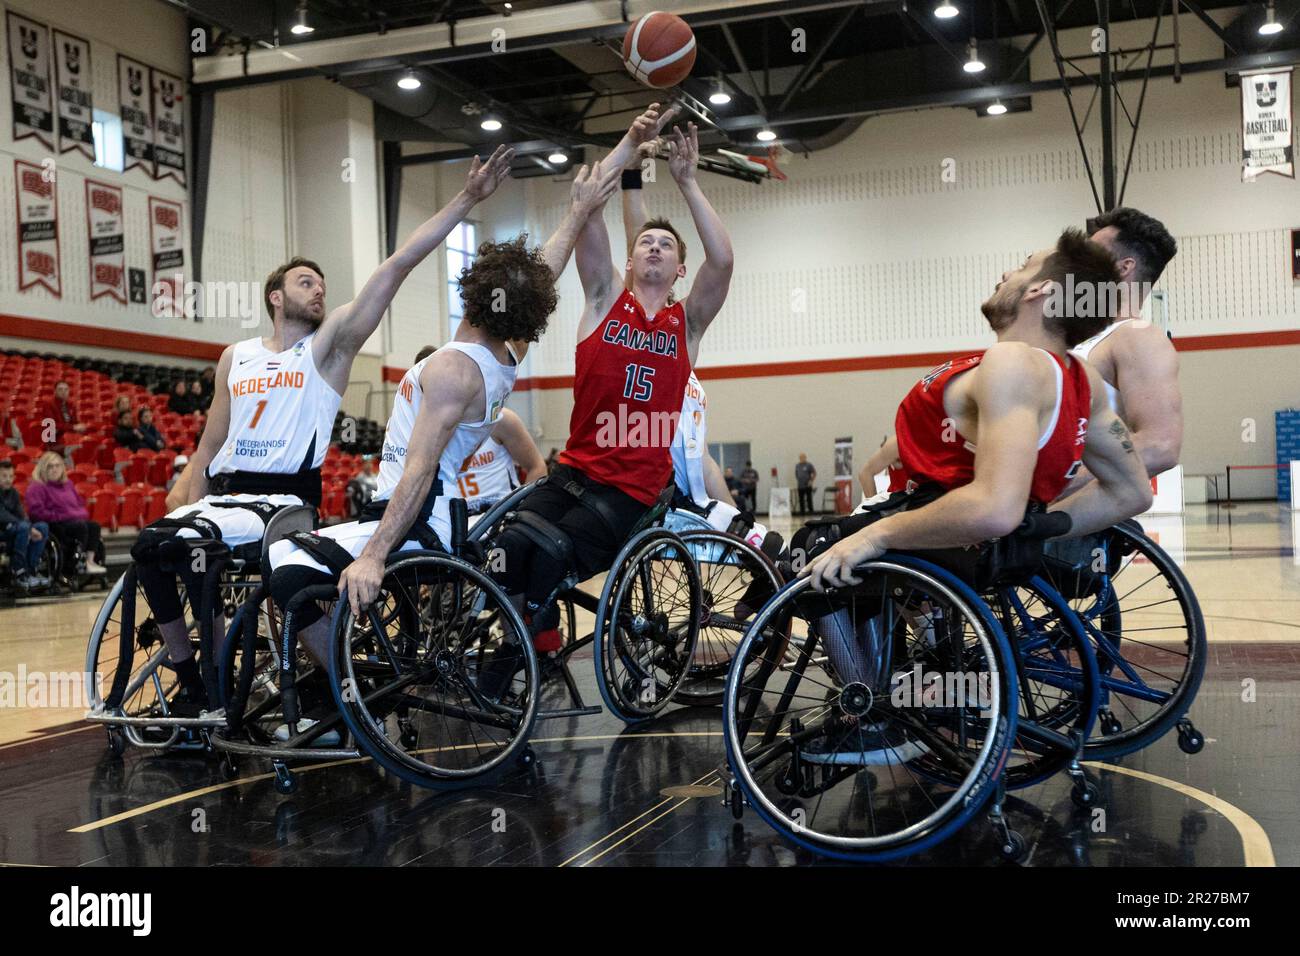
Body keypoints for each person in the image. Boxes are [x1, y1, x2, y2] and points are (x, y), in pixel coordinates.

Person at [129, 144, 523, 718]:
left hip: (283, 500)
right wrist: (187, 485)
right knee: (151, 546)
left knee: (189, 553)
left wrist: (467, 199)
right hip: (228, 494)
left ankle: (215, 681)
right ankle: (195, 678)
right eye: (305, 281)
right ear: (275, 296)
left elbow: (394, 268)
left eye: (321, 283)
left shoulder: (327, 350)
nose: (318, 289)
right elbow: (210, 442)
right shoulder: (233, 356)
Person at [266, 159, 618, 728]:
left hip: (423, 516)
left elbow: (420, 470)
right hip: (437, 513)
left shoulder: (454, 369)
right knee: (306, 562)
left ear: (475, 291)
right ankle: (348, 681)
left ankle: (350, 705)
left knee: (284, 567)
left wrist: (375, 556)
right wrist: (577, 213)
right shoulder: (503, 354)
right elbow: (543, 273)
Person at [487, 102, 734, 669]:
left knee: (548, 554)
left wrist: (689, 183)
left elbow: (722, 261)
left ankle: (523, 654)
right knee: (503, 549)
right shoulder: (603, 301)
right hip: (574, 471)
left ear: (678, 270)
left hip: (633, 491)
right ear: (629, 259)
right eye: (645, 241)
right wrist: (628, 141)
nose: (653, 246)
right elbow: (589, 206)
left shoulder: (686, 324)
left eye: (666, 246)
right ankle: (531, 646)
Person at [799, 228, 1153, 594]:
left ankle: (849, 654)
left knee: (809, 546)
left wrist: (879, 535)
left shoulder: (1012, 362)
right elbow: (1132, 492)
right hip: (978, 541)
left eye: (1022, 267)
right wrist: (1040, 526)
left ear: (1040, 290)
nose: (1005, 275)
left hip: (955, 540)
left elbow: (995, 509)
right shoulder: (1083, 379)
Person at [1068, 207, 1182, 486]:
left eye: (1091, 251)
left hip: (1080, 519)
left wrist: (1056, 487)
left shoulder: (1137, 336)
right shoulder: (1086, 337)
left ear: (1124, 266)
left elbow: (1160, 446)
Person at [25, 452, 107, 578]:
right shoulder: (36, 487)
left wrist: (72, 514)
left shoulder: (68, 484)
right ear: (43, 468)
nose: (54, 469)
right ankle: (75, 563)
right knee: (80, 527)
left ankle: (89, 561)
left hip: (70, 520)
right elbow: (36, 513)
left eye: (57, 466)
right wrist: (62, 515)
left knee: (94, 526)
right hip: (52, 523)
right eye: (50, 466)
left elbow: (80, 506)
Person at [454, 408, 547, 515]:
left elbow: (537, 467)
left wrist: (523, 513)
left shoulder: (500, 418)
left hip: (501, 514)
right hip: (456, 519)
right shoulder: (434, 428)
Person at [0, 459, 50, 589]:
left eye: (11, 476)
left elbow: (21, 514)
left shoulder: (13, 493)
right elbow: (2, 516)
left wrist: (31, 527)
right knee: (23, 527)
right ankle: (19, 572)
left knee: (42, 527)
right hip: (2, 529)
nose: (8, 479)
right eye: (4, 476)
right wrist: (27, 528)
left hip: (14, 528)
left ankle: (31, 570)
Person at [39, 381, 86, 451]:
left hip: (69, 437)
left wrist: (80, 426)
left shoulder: (71, 405)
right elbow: (51, 425)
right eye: (60, 389)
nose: (63, 392)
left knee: (88, 444)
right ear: (55, 391)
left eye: (66, 389)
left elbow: (74, 422)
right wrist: (73, 427)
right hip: (54, 439)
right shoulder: (48, 404)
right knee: (77, 447)